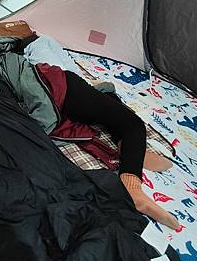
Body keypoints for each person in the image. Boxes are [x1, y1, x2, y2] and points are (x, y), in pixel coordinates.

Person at [60, 70, 180, 230]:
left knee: (110, 108)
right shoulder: (40, 54)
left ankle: (131, 151)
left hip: (64, 89)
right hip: (63, 84)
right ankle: (132, 188)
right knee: (133, 124)